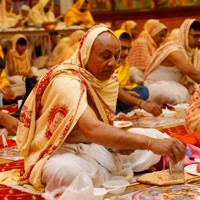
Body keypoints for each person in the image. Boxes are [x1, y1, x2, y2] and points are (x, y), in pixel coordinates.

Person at [16, 26, 185, 193]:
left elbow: (102, 127)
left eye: (116, 56)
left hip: (94, 145)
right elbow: (92, 128)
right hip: (59, 150)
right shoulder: (66, 80)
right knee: (66, 172)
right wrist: (150, 144)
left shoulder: (107, 80)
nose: (113, 63)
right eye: (105, 56)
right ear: (86, 53)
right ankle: (104, 174)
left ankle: (103, 175)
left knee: (157, 136)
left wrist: (116, 143)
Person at [144, 19, 200, 105]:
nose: (199, 40)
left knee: (195, 88)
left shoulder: (192, 51)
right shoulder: (173, 49)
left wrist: (189, 84)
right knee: (171, 95)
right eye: (195, 36)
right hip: (155, 86)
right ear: (185, 34)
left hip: (175, 85)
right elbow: (193, 73)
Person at [114, 30, 162, 116]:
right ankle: (123, 107)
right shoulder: (106, 63)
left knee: (143, 90)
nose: (126, 53)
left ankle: (124, 106)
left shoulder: (124, 63)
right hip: (110, 94)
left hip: (120, 94)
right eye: (123, 48)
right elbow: (109, 86)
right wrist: (141, 103)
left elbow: (124, 85)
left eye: (129, 49)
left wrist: (126, 92)